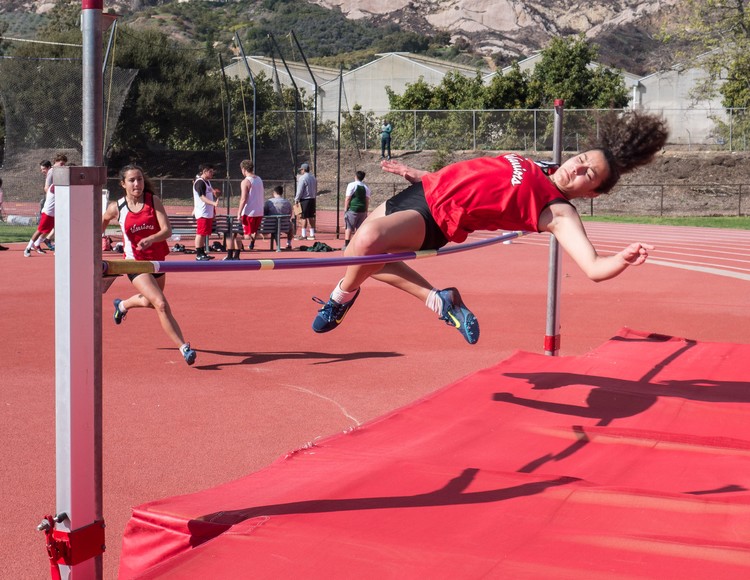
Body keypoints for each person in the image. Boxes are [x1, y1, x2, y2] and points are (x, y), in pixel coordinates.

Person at [312, 110, 669, 344]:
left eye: (586, 174)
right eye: (580, 160)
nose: (575, 169)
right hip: (424, 190)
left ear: (591, 193)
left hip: (439, 216)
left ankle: (339, 298)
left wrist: (622, 258)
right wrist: (425, 175)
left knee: (369, 240)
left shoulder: (558, 211)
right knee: (355, 253)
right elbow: (480, 173)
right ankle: (438, 299)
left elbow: (592, 267)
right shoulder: (543, 165)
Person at [102, 164, 197, 365]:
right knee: (161, 304)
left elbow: (167, 230)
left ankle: (123, 305)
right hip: (134, 263)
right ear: (123, 184)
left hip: (157, 261)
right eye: (132, 180)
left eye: (140, 179)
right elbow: (99, 224)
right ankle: (184, 348)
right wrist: (97, 242)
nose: (137, 183)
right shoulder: (116, 208)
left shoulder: (152, 201)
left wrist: (151, 239)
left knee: (150, 302)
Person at [24, 153, 66, 257]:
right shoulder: (53, 173)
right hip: (48, 210)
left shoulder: (59, 176)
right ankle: (27, 248)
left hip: (54, 210)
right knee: (40, 230)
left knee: (48, 229)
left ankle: (37, 244)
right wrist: (50, 197)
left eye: (64, 164)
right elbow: (47, 187)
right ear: (56, 162)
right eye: (62, 163)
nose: (63, 166)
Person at [233, 159, 264, 257]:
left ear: (243, 169)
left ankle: (236, 250)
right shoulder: (259, 179)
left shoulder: (245, 181)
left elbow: (243, 198)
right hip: (259, 211)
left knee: (238, 234)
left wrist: (239, 212)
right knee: (252, 232)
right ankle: (257, 236)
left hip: (249, 212)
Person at [192, 163, 220, 261]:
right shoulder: (200, 182)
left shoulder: (207, 182)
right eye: (210, 171)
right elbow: (202, 197)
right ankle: (198, 254)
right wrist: (213, 203)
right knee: (200, 233)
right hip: (202, 212)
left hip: (208, 213)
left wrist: (215, 193)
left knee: (204, 233)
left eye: (213, 171)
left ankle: (203, 252)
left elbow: (212, 192)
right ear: (204, 171)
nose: (212, 173)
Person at [343, 170, 371, 250]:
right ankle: (358, 246)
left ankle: (347, 245)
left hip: (353, 209)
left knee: (348, 227)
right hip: (362, 210)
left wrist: (345, 209)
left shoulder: (352, 185)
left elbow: (348, 198)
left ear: (355, 176)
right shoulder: (366, 187)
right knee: (359, 229)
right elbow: (367, 200)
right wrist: (366, 210)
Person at [264, 185, 294, 250]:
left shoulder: (269, 202)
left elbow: (264, 213)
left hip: (269, 226)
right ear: (282, 193)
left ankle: (252, 243)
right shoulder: (287, 202)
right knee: (291, 225)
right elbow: (290, 214)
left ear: (274, 193)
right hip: (284, 225)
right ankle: (288, 243)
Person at [294, 162, 317, 240]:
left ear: (303, 170)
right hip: (312, 199)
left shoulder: (302, 178)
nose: (301, 171)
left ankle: (303, 235)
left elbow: (300, 190)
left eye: (301, 170)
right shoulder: (313, 178)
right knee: (311, 217)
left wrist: (296, 199)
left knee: (304, 217)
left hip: (305, 200)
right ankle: (312, 234)